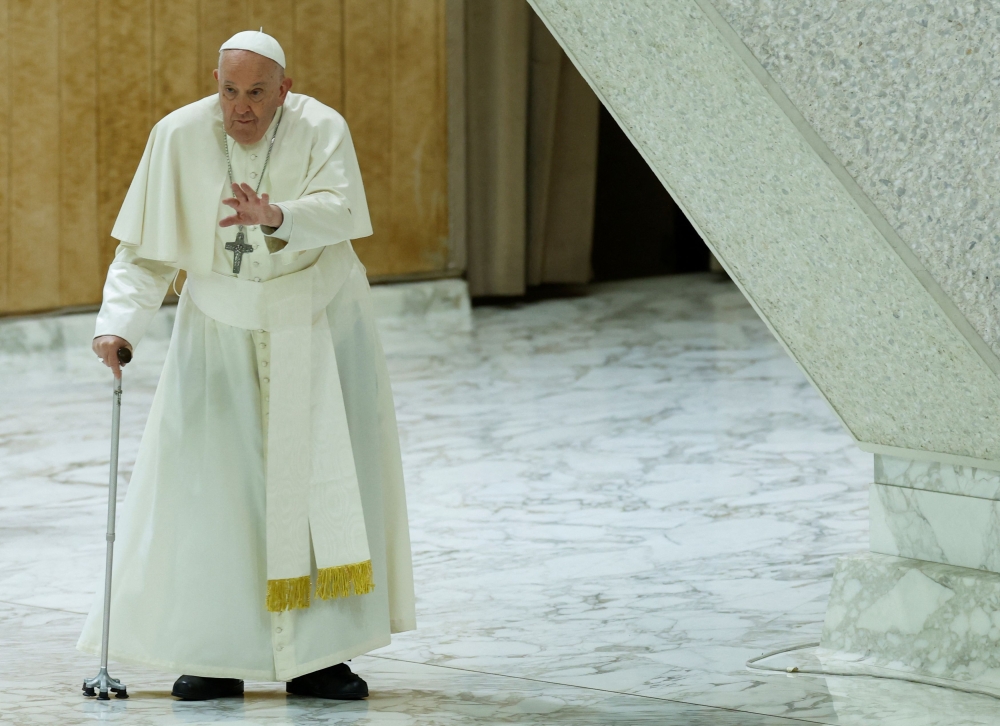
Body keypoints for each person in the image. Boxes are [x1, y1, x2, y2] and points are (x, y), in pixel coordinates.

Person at [78, 30, 416, 702]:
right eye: (229, 91)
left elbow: (345, 211)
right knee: (215, 491)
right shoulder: (177, 137)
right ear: (216, 82)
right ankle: (213, 652)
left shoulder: (323, 129)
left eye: (257, 93)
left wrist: (278, 214)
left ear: (283, 89)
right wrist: (118, 327)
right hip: (219, 332)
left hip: (316, 321)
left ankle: (321, 658)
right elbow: (144, 250)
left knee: (323, 485)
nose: (241, 108)